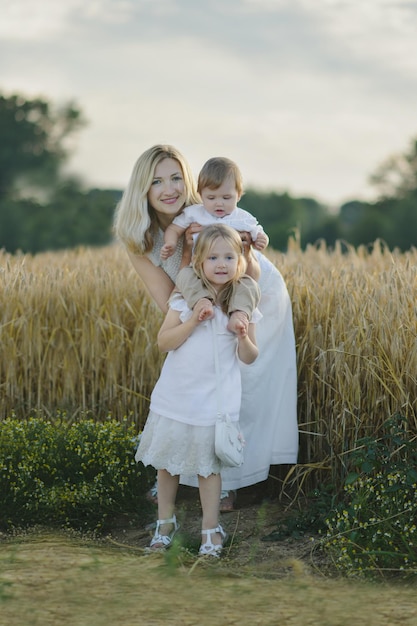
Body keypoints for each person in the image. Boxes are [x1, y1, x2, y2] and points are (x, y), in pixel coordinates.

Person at [113, 144, 298, 512]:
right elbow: (170, 302)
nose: (170, 189)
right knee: (197, 379)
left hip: (251, 293)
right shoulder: (142, 239)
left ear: (188, 180)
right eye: (157, 181)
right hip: (200, 301)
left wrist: (242, 249)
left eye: (177, 177)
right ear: (143, 190)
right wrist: (185, 256)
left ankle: (230, 480)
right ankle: (181, 474)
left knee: (240, 380)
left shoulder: (209, 213)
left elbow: (245, 270)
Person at [135, 224, 259, 555]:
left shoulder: (241, 306)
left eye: (229, 257)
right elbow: (164, 342)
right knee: (167, 464)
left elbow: (250, 357)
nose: (222, 263)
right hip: (178, 395)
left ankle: (210, 529)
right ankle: (165, 523)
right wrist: (193, 321)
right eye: (213, 257)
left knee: (208, 468)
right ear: (199, 263)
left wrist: (242, 335)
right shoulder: (184, 300)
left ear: (239, 261)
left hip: (214, 402)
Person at [166, 156, 265, 335]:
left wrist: (260, 239)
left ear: (239, 195)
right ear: (200, 194)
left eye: (226, 197)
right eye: (211, 197)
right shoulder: (195, 213)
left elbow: (258, 232)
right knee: (185, 275)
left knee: (249, 285)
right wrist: (171, 243)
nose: (219, 203)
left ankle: (239, 313)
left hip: (233, 275)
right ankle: (201, 301)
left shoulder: (241, 217)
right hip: (200, 272)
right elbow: (174, 228)